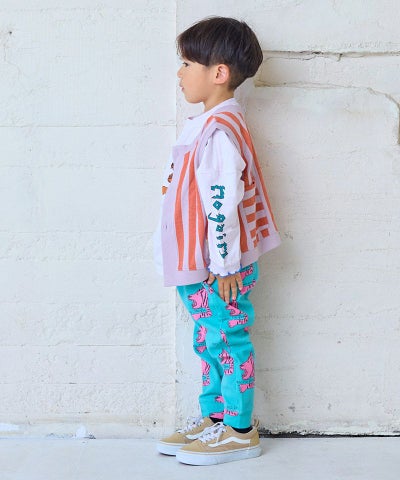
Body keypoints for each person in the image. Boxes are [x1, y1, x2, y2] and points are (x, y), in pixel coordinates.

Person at [154, 16, 281, 466]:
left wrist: (226, 266)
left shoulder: (219, 132)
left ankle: (240, 430)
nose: (180, 72)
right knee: (209, 340)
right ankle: (216, 418)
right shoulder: (206, 123)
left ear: (219, 73)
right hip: (201, 264)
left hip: (218, 268)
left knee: (228, 340)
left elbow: (223, 206)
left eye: (188, 63)